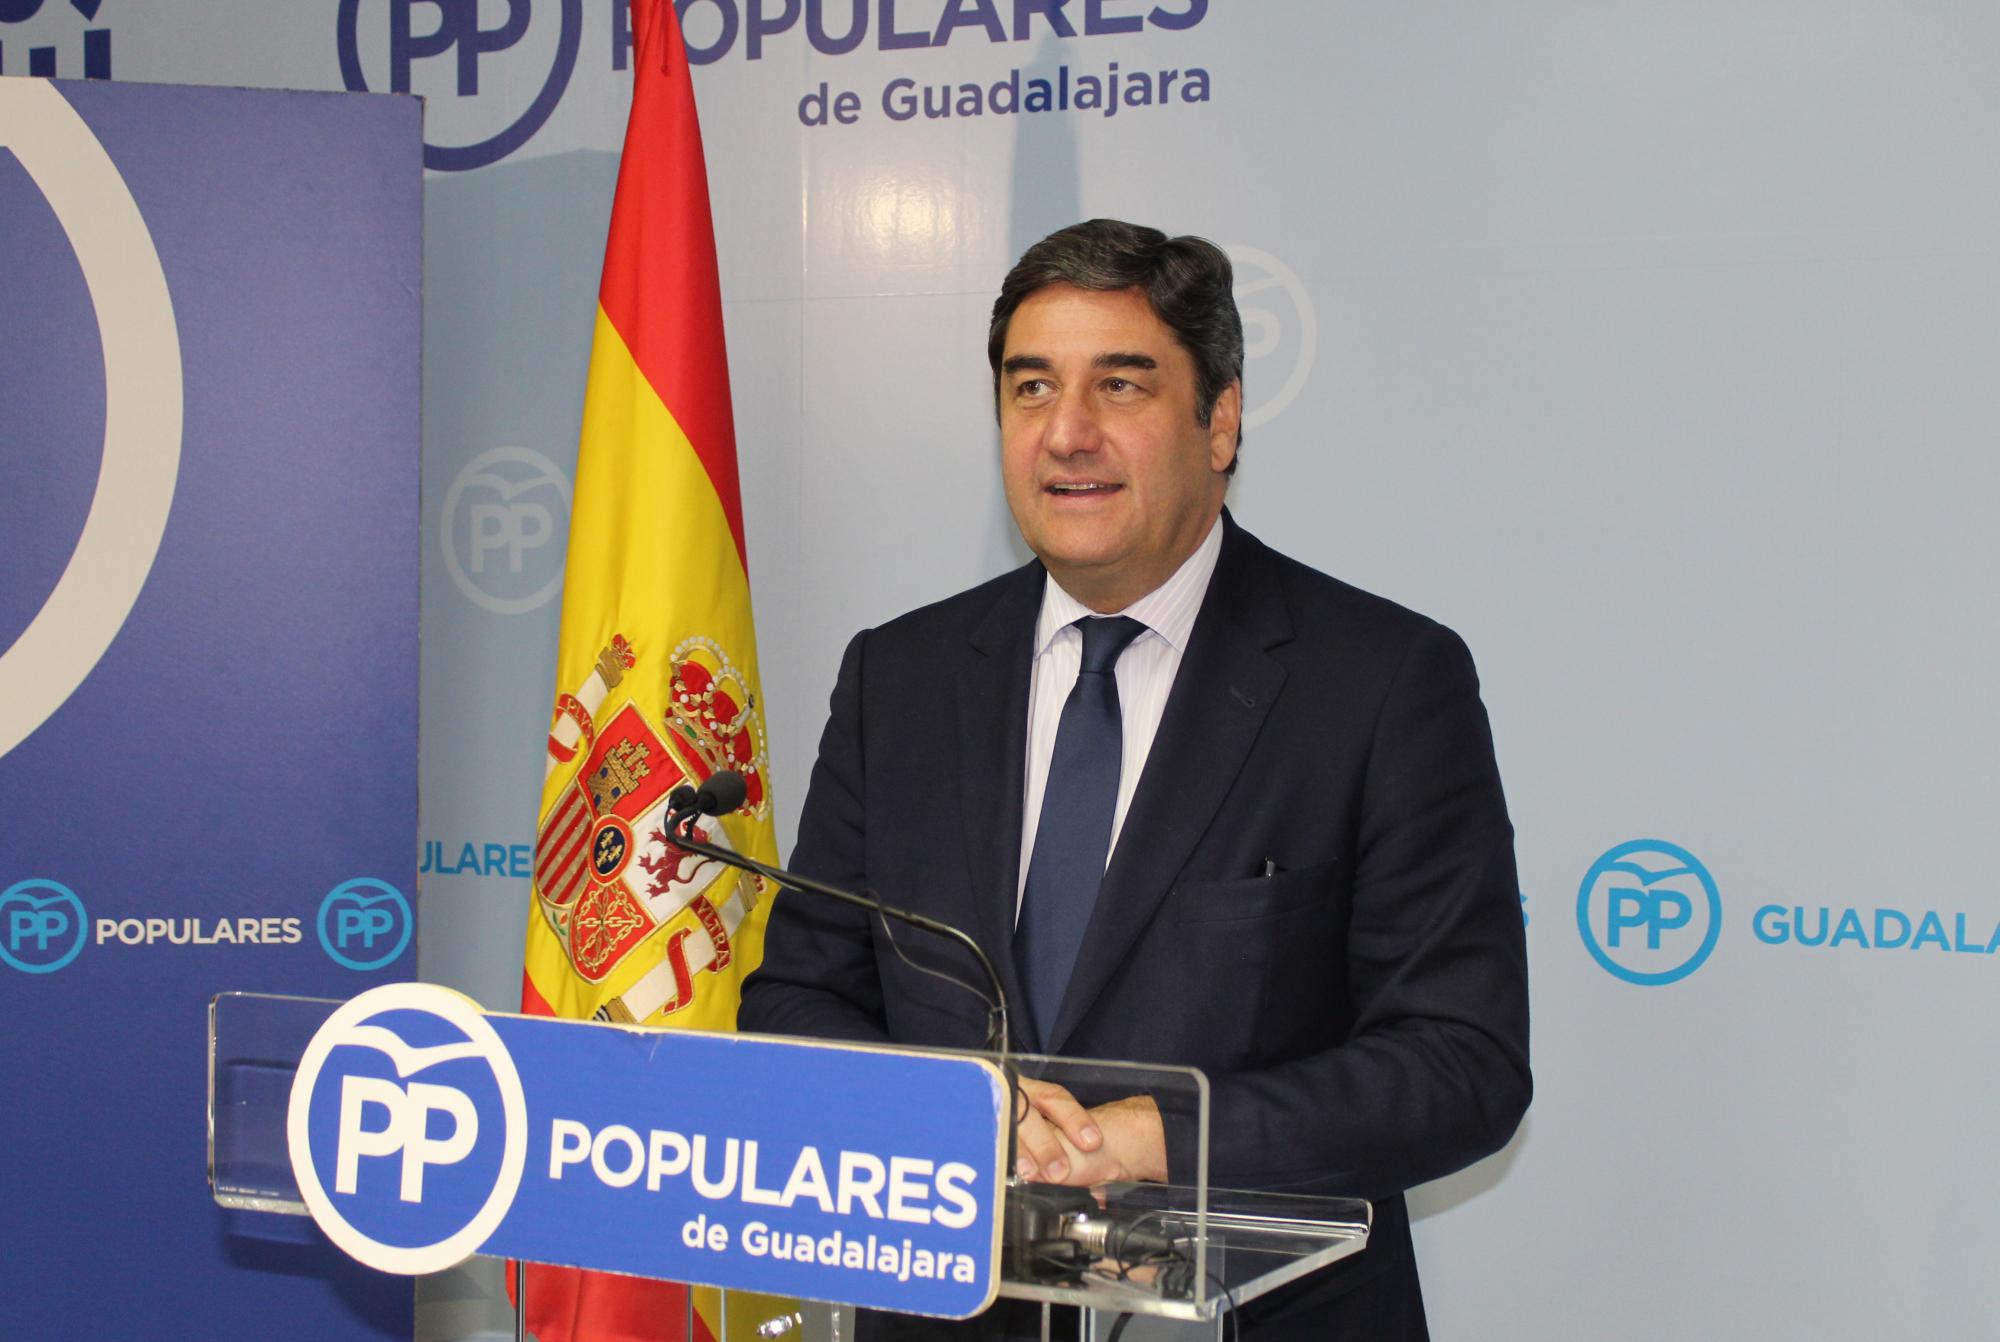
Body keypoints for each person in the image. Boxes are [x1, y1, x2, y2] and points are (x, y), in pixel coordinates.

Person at [739, 218, 1530, 1339]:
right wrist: (954, 1112)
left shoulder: (1381, 681)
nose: (1067, 434)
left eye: (1120, 385)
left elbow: (1459, 1062)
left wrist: (1156, 1138)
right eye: (1030, 389)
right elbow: (795, 1001)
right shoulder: (898, 677)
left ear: (1221, 420)